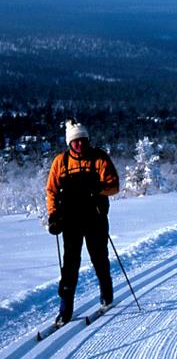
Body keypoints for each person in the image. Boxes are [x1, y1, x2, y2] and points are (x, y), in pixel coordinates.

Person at [46, 119, 120, 325]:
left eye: (82, 140)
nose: (79, 144)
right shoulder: (60, 162)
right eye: (75, 141)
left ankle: (107, 294)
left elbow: (114, 186)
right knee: (70, 264)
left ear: (87, 140)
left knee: (99, 258)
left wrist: (98, 190)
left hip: (95, 217)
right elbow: (51, 191)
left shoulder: (99, 158)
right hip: (71, 220)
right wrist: (53, 216)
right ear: (69, 143)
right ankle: (65, 308)